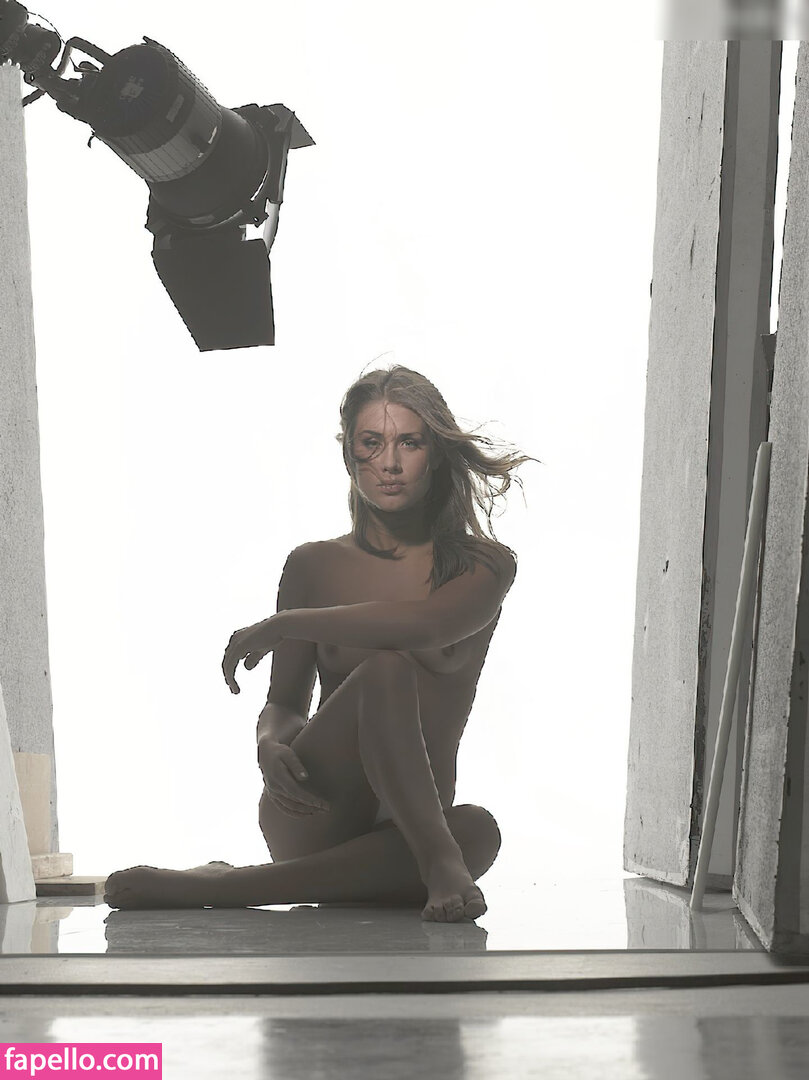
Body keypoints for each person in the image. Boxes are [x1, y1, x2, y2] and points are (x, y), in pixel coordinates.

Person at [104, 366, 530, 922]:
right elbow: (284, 704)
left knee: (479, 830)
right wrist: (269, 743)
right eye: (371, 443)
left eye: (410, 442)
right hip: (315, 810)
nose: (390, 463)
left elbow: (424, 627)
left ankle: (227, 886)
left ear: (436, 454)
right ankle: (435, 863)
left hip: (411, 827)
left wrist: (287, 623)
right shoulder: (312, 565)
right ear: (349, 454)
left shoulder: (484, 565)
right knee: (385, 673)